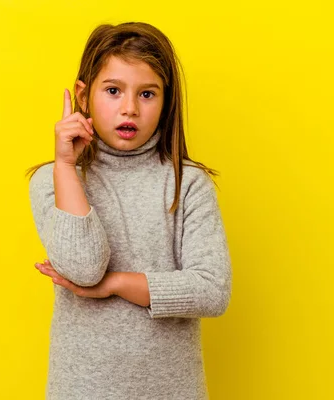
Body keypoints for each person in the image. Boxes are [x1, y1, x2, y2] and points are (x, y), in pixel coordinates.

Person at [26, 21, 232, 400]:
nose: (130, 108)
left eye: (148, 94)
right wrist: (66, 167)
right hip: (82, 390)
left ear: (166, 101)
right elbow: (83, 268)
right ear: (83, 96)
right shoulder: (52, 180)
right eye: (113, 90)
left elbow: (212, 289)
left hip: (173, 392)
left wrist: (114, 284)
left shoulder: (188, 184)